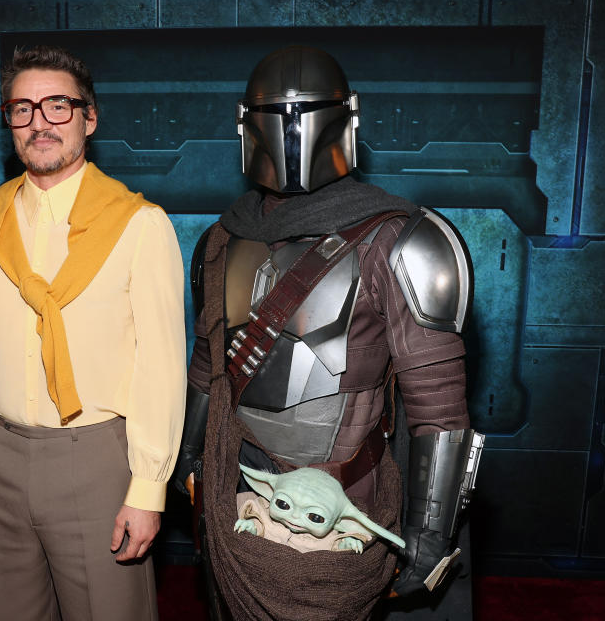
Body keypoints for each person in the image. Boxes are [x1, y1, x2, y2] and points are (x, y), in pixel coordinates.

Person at [173, 46, 484, 620]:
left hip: (344, 499)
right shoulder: (223, 240)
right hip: (237, 481)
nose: (292, 135)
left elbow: (437, 406)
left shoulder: (402, 240)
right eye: (277, 118)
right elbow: (208, 366)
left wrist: (430, 528)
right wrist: (191, 456)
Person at [0, 45, 186, 621]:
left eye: (58, 106)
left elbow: (161, 368)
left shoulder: (140, 227)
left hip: (97, 461)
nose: (39, 121)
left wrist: (147, 489)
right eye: (22, 108)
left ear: (89, 118)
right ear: (9, 122)